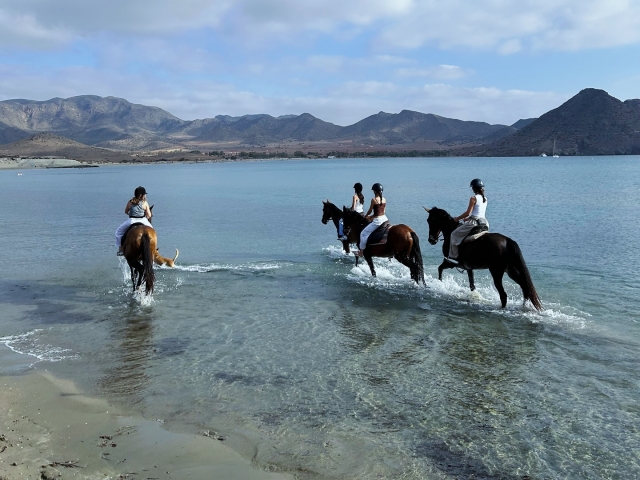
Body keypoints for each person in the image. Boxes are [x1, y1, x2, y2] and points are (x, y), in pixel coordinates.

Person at [447, 178, 489, 264]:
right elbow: (479, 213)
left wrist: (457, 218)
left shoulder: (473, 198)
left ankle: (454, 257)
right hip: (484, 222)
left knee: (454, 234)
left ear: (473, 188)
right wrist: (468, 218)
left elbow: (467, 213)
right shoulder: (485, 199)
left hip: (474, 224)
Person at [115, 186, 154, 255]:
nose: (145, 196)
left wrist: (132, 213)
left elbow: (126, 212)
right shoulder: (145, 203)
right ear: (141, 195)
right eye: (144, 194)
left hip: (131, 221)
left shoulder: (130, 202)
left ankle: (121, 249)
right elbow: (149, 215)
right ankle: (154, 249)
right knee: (153, 233)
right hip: (143, 220)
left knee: (118, 232)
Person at [358, 183, 387, 256]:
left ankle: (361, 252)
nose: (373, 192)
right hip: (385, 219)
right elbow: (382, 212)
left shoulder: (374, 200)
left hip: (377, 221)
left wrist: (366, 216)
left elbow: (370, 210)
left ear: (375, 191)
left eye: (373, 191)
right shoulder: (384, 199)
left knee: (363, 234)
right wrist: (371, 217)